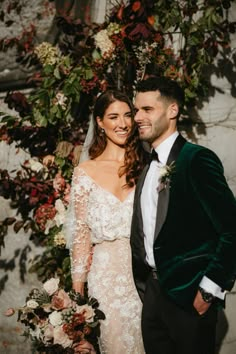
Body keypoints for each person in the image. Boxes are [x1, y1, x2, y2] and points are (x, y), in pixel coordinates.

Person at [130, 76, 236, 354]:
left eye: (147, 109)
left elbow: (231, 229)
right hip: (152, 298)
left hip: (189, 297)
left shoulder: (196, 159)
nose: (137, 117)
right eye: (136, 110)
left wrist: (208, 290)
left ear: (172, 110)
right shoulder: (147, 168)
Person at [64, 90, 146, 354]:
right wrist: (78, 304)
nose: (122, 123)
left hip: (146, 274)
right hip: (105, 279)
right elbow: (80, 237)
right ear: (99, 122)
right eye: (113, 117)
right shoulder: (84, 173)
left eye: (127, 115)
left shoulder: (147, 165)